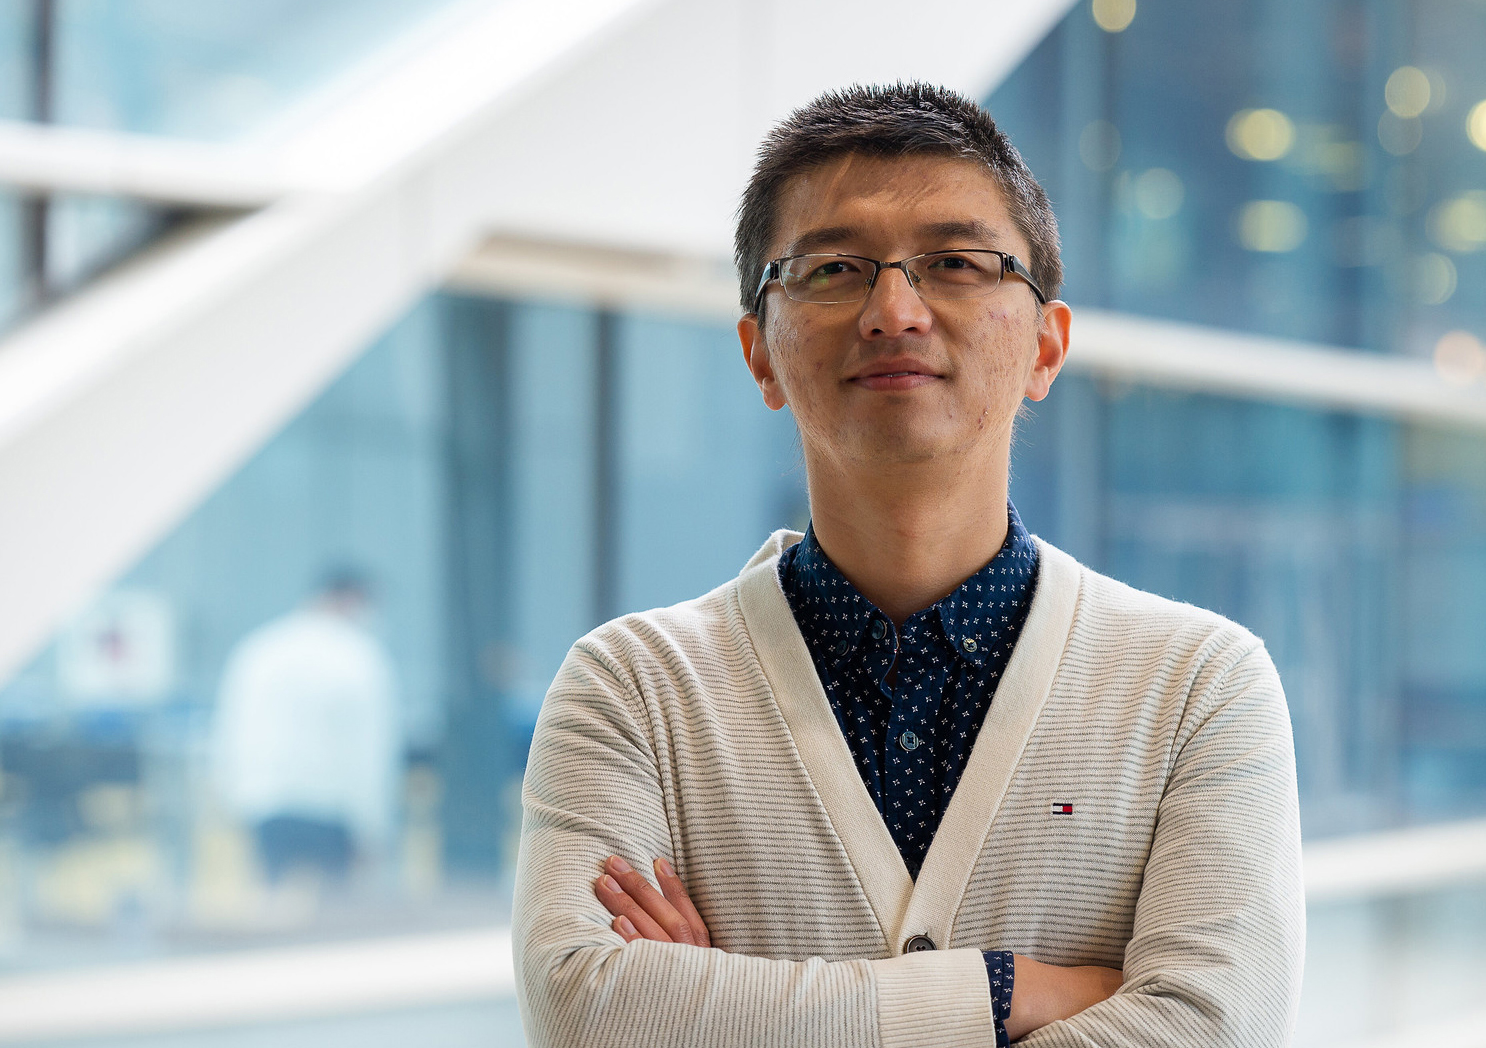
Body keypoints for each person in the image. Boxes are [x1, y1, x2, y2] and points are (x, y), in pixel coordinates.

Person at [512, 84, 1302, 1047]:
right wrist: (1006, 994)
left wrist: (726, 1006)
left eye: (956, 263)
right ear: (759, 352)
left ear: (1046, 346)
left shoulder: (1198, 685)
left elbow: (1216, 1030)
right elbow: (583, 1006)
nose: (894, 309)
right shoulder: (632, 688)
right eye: (832, 268)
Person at [210, 569, 399, 889]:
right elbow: (370, 751)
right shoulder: (360, 657)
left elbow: (231, 731)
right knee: (335, 917)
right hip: (332, 810)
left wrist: (231, 801)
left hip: (265, 804)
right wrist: (375, 829)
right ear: (354, 601)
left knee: (273, 906)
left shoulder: (260, 649)